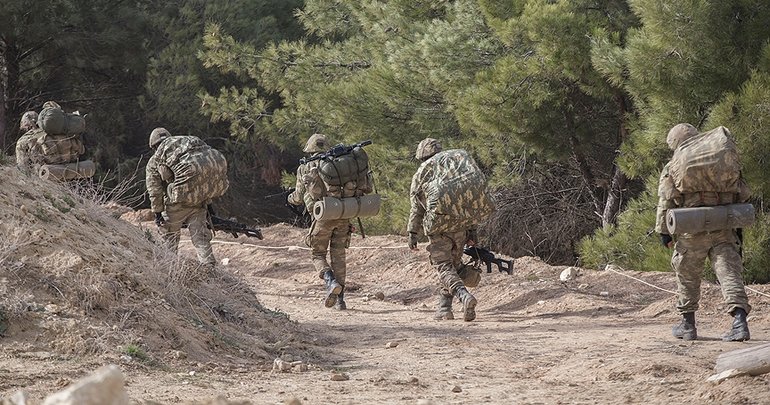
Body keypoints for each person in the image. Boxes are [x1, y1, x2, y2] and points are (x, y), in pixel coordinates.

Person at [655, 123, 752, 342]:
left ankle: (688, 325)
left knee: (687, 276)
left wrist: (664, 232)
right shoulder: (723, 159)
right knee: (729, 274)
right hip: (723, 225)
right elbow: (743, 192)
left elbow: (665, 201)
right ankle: (739, 322)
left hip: (691, 229)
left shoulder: (675, 164)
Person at [407, 138, 481, 322]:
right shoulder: (457, 169)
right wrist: (472, 231)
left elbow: (416, 207)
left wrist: (412, 232)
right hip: (461, 226)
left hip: (439, 228)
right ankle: (444, 308)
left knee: (444, 267)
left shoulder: (422, 173)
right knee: (453, 267)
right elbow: (469, 201)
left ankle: (464, 296)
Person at [287, 133, 351, 310]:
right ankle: (341, 300)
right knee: (339, 256)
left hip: (322, 216)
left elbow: (299, 197)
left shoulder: (306, 167)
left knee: (317, 254)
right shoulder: (340, 164)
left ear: (309, 149)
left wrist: (290, 198)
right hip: (344, 213)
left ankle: (330, 282)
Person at [146, 127, 223, 270]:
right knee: (201, 239)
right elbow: (201, 181)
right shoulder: (186, 153)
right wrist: (209, 207)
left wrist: (157, 213)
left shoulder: (155, 161)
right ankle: (210, 269)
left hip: (175, 205)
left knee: (169, 239)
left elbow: (154, 189)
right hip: (198, 203)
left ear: (153, 146)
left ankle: (170, 270)